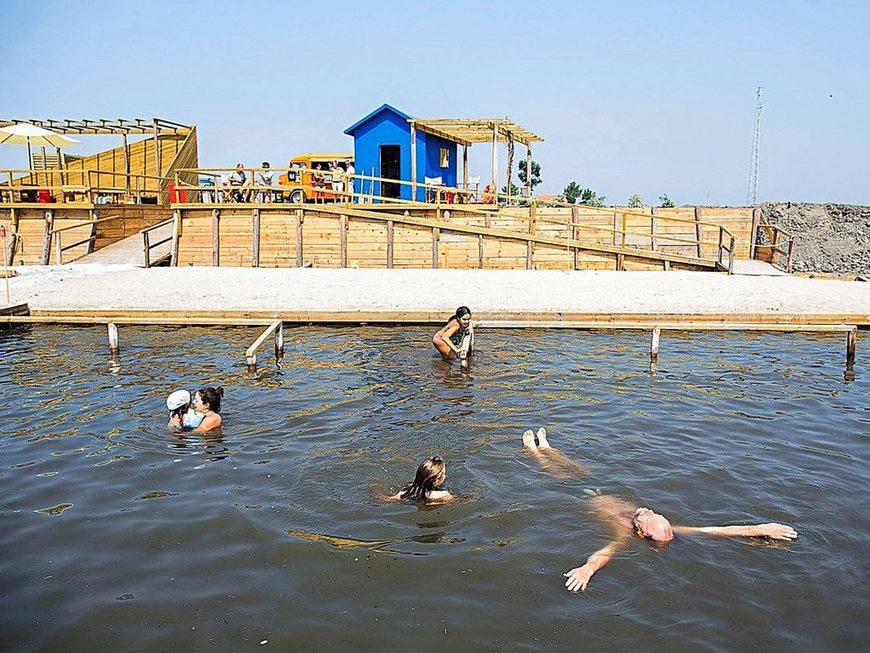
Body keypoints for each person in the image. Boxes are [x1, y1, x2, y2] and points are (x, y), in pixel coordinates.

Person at [521, 429, 798, 592]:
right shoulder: (667, 529)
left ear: (641, 533)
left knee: (559, 475)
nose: (647, 511)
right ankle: (548, 447)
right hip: (602, 488)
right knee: (581, 469)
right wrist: (761, 529)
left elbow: (606, 553)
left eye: (646, 517)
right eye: (654, 513)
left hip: (585, 496)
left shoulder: (624, 532)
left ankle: (534, 453)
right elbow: (715, 530)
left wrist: (588, 569)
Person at [385, 456, 454, 503]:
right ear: (436, 481)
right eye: (444, 474)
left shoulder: (408, 488)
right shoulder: (444, 495)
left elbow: (390, 499)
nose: (445, 476)